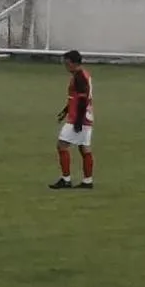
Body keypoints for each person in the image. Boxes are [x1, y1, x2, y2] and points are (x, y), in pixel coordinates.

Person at [49, 50, 95, 189]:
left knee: (62, 145)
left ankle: (66, 179)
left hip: (79, 117)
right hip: (86, 116)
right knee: (84, 147)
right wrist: (65, 111)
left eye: (67, 63)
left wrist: (78, 122)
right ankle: (87, 181)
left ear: (74, 63)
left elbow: (82, 100)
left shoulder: (79, 77)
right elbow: (75, 98)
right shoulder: (82, 74)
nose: (66, 66)